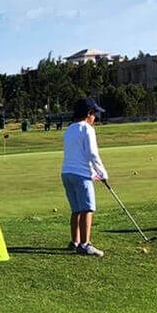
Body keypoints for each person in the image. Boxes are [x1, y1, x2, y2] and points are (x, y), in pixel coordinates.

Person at [61, 97, 108, 257]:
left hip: (66, 173)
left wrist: (94, 173)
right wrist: (102, 173)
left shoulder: (69, 129)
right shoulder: (88, 129)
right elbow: (92, 154)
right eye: (94, 114)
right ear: (88, 114)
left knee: (76, 210)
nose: (95, 117)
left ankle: (74, 242)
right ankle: (85, 244)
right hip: (81, 176)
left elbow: (77, 155)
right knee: (87, 209)